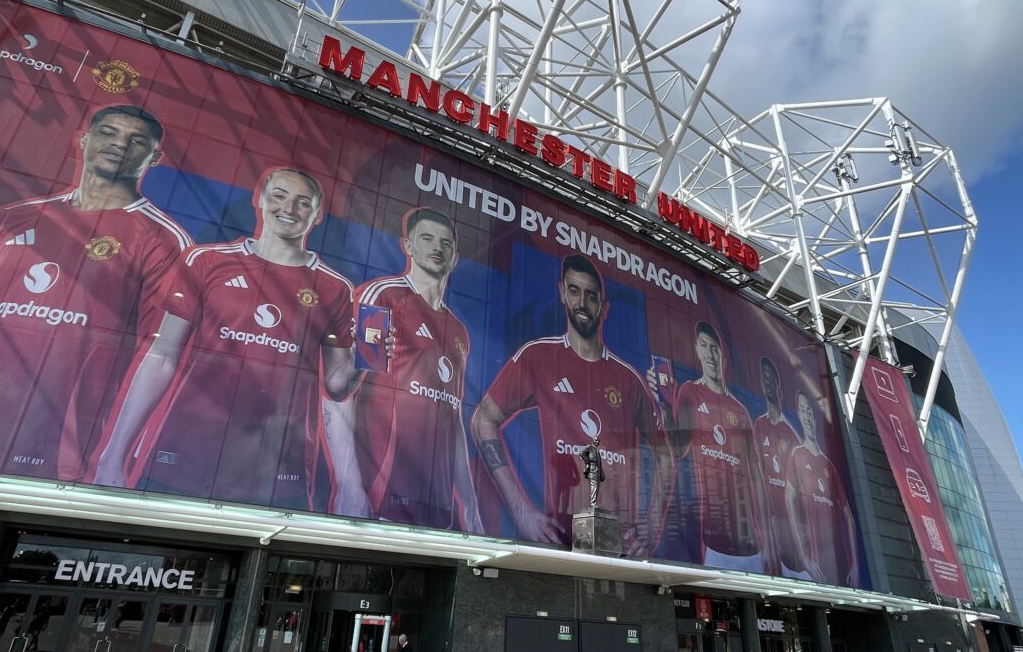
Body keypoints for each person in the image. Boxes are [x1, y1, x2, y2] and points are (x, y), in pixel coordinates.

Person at [0, 105, 188, 480]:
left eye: (136, 140)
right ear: (83, 140)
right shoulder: (7, 220)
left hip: (53, 455)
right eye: (108, 132)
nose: (120, 144)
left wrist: (113, 461)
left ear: (153, 158)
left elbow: (156, 357)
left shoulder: (163, 240)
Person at [92, 167, 365, 512]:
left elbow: (337, 388)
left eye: (302, 202)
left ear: (317, 214)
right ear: (261, 200)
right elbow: (162, 356)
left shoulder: (334, 288)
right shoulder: (207, 262)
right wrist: (113, 456)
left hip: (277, 466)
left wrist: (362, 359)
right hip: (185, 452)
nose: (289, 209)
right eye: (279, 196)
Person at [472, 255, 672, 553]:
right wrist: (520, 510)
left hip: (618, 546)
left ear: (603, 307)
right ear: (562, 292)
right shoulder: (537, 356)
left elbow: (665, 456)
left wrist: (652, 524)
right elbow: (482, 420)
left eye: (591, 296)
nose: (582, 303)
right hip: (559, 541)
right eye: (575, 291)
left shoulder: (629, 379)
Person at [349, 208, 481, 531]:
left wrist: (471, 507)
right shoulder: (385, 296)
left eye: (446, 243)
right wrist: (350, 483)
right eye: (427, 239)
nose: (437, 247)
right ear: (408, 246)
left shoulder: (459, 332)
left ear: (456, 256)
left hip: (437, 506)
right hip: (382, 495)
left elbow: (454, 419)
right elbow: (345, 393)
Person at [650, 320, 772, 572]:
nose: (709, 353)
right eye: (703, 346)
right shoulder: (690, 393)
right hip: (715, 545)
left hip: (752, 544)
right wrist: (664, 406)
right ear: (697, 350)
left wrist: (767, 535)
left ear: (722, 355)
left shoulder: (739, 410)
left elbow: (755, 475)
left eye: (714, 347)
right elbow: (679, 446)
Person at [784, 390, 860, 585]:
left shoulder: (828, 465)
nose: (807, 416)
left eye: (809, 411)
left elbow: (848, 517)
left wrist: (855, 566)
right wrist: (803, 556)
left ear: (814, 416)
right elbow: (789, 501)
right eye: (802, 411)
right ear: (799, 415)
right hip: (814, 565)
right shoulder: (797, 455)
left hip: (838, 563)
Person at [753, 356, 804, 575]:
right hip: (769, 525)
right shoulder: (758, 425)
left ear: (777, 386)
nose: (766, 382)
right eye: (763, 378)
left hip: (791, 529)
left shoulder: (791, 435)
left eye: (770, 378)